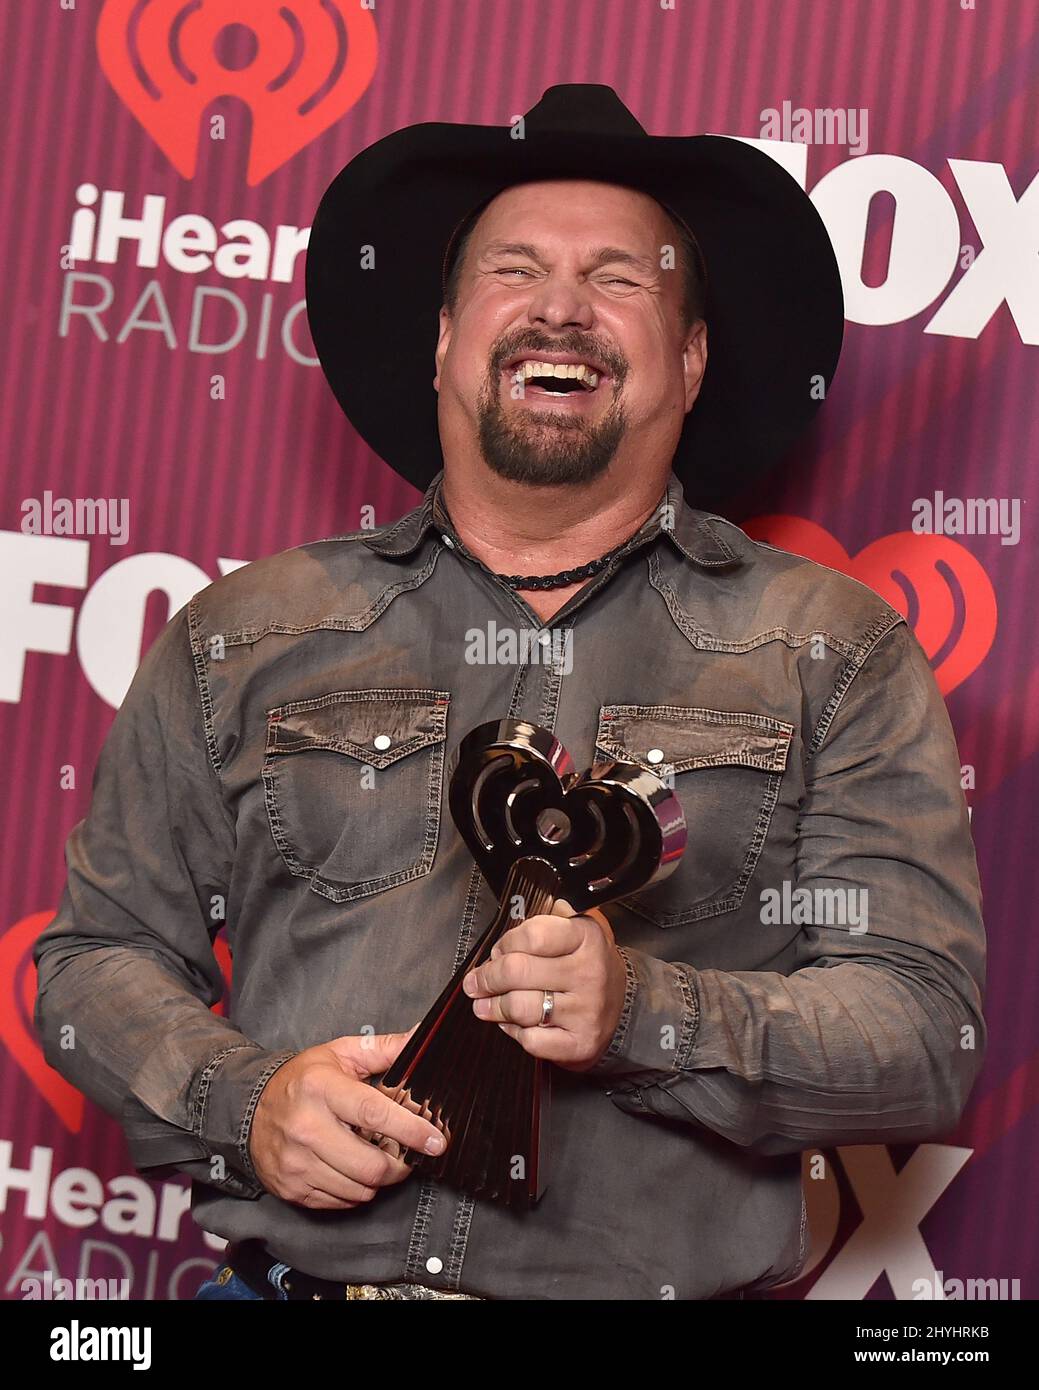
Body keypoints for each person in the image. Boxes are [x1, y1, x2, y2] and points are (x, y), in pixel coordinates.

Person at [34, 85, 986, 1302]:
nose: (560, 308)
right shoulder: (245, 631)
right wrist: (244, 1098)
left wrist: (643, 1011)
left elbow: (920, 1034)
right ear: (441, 338)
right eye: (515, 269)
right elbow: (96, 960)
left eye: (622, 280)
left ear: (688, 362)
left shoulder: (830, 646)